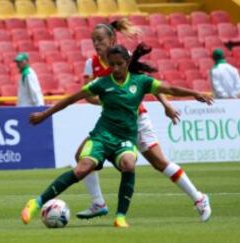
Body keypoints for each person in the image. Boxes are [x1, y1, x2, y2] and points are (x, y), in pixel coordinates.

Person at [21, 43, 213, 228]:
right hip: (101, 136)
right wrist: (44, 115)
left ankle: (120, 217)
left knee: (129, 163)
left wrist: (195, 93)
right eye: (112, 64)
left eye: (119, 64)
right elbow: (72, 99)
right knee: (81, 169)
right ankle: (36, 203)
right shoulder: (102, 84)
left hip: (125, 139)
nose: (115, 68)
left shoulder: (141, 82)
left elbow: (169, 89)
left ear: (127, 63)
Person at [76, 19, 212, 222]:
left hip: (136, 120)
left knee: (160, 163)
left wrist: (166, 105)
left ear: (112, 38)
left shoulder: (124, 58)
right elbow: (86, 95)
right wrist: (109, 101)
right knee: (81, 156)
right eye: (93, 40)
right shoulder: (91, 63)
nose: (96, 44)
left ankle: (199, 198)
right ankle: (98, 203)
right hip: (112, 123)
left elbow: (149, 84)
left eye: (100, 39)